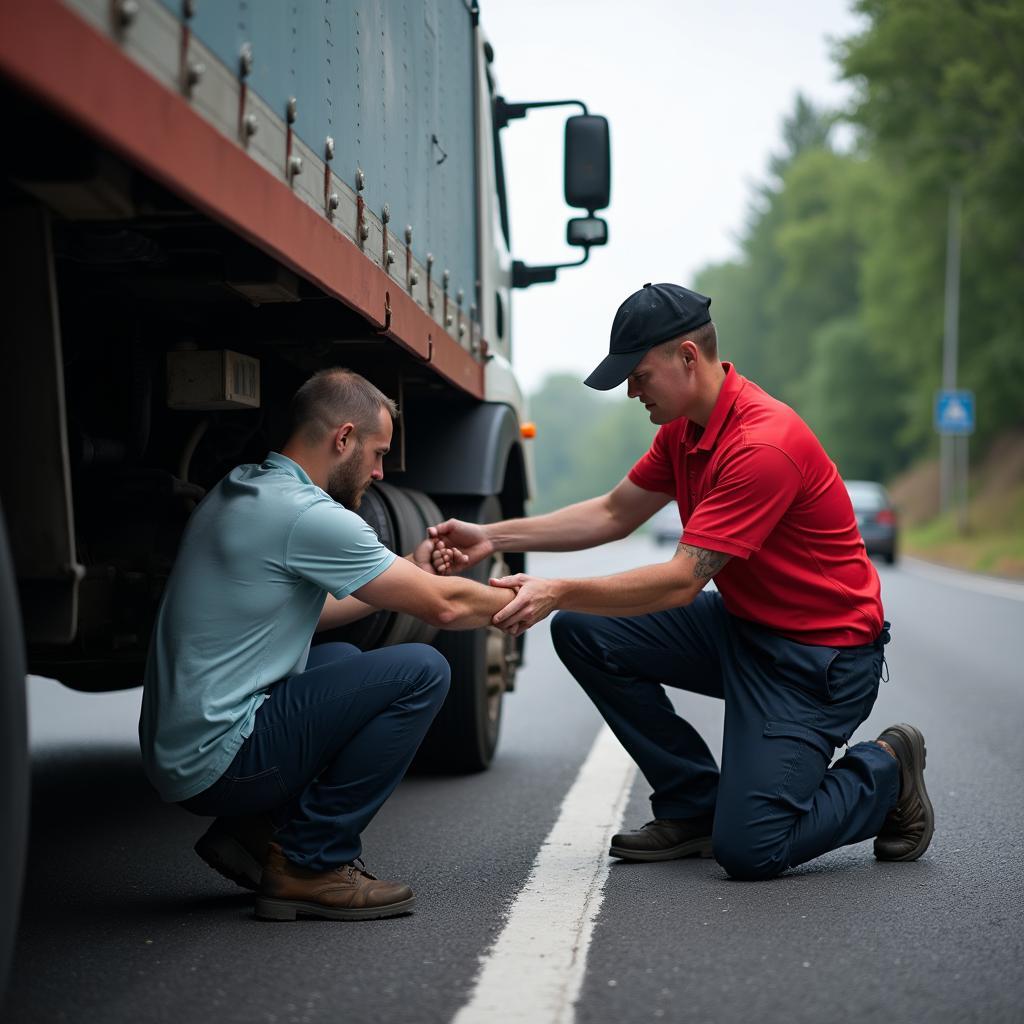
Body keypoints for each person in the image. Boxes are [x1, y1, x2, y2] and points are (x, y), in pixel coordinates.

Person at [429, 283, 933, 880]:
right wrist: (494, 537)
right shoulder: (685, 429)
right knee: (585, 631)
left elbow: (678, 584)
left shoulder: (762, 444)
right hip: (746, 630)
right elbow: (615, 512)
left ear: (688, 358)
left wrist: (557, 588)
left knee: (751, 850)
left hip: (817, 662)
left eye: (638, 375)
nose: (630, 391)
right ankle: (695, 806)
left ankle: (887, 771)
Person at [140, 368, 509, 921]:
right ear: (343, 438)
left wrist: (407, 569)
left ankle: (251, 835)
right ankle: (310, 864)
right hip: (220, 761)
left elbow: (308, 617)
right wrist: (536, 597)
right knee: (422, 669)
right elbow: (445, 607)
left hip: (184, 750)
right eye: (378, 452)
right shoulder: (309, 515)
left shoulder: (246, 486)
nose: (382, 471)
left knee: (343, 659)